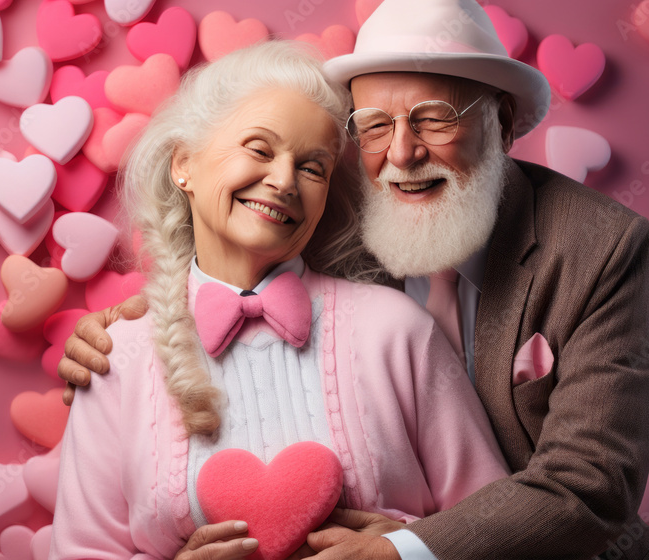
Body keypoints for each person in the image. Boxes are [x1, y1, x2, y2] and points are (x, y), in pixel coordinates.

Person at [59, 1, 649, 558]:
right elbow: (242, 259)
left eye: (435, 118)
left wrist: (403, 551)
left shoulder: (600, 247)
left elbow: (592, 484)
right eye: (376, 126)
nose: (403, 153)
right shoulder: (338, 206)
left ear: (499, 122)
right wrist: (138, 326)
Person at [49, 40, 510, 560]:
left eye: (313, 168)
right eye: (260, 149)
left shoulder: (396, 330)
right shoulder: (117, 355)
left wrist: (408, 549)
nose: (285, 181)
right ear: (185, 165)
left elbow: (500, 526)